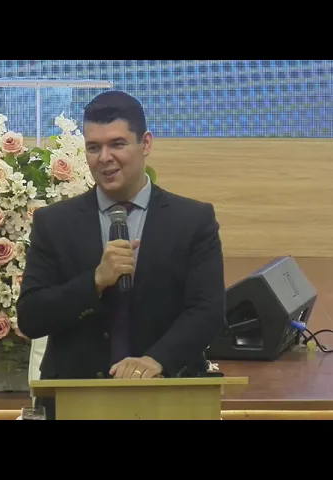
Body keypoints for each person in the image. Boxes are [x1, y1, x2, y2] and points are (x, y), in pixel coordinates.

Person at [16, 90, 226, 419]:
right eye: (93, 147)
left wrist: (156, 360)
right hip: (75, 400)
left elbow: (208, 312)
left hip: (169, 396)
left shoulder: (192, 220)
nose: (104, 158)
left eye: (117, 144)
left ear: (146, 144)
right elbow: (31, 317)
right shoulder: (54, 223)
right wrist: (95, 281)